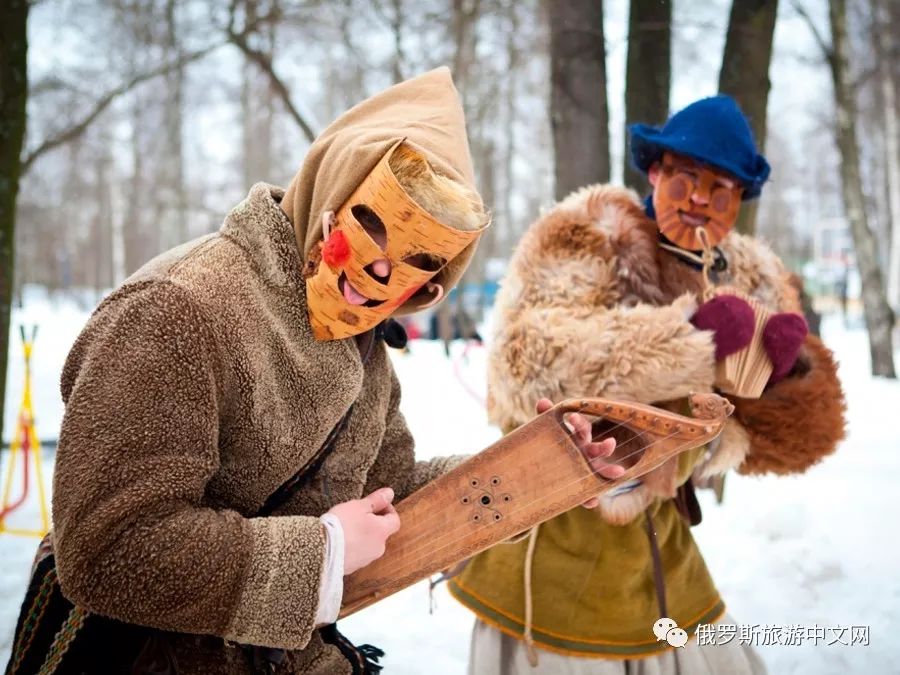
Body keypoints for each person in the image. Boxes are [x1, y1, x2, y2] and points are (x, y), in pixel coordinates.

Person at [8, 68, 505, 675]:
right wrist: (322, 551)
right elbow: (108, 548)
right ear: (335, 187)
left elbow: (386, 486)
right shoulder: (179, 307)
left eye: (419, 260)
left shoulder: (363, 343)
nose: (380, 275)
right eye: (372, 223)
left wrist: (540, 467)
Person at [449, 96, 847, 674]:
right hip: (555, 536)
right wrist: (691, 342)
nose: (700, 202)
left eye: (722, 189)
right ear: (656, 171)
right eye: (687, 178)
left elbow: (788, 442)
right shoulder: (586, 234)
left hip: (660, 548)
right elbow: (525, 357)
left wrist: (782, 382)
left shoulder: (750, 273)